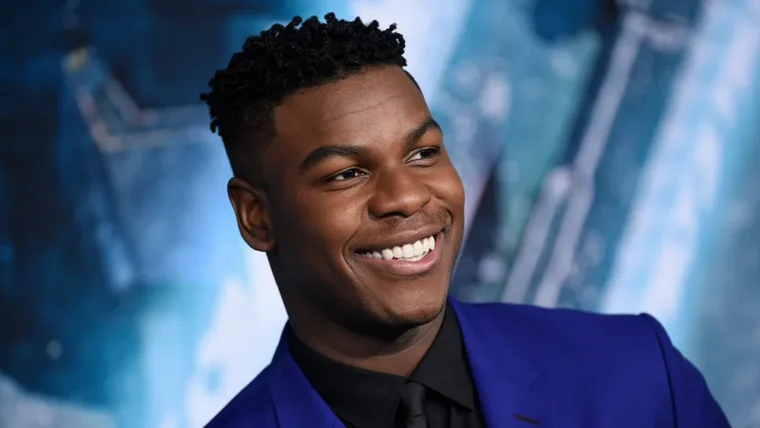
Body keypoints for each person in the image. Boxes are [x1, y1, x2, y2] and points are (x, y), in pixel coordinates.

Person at [200, 13, 729, 428]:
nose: (407, 196)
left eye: (423, 153)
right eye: (347, 174)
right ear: (256, 217)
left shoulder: (639, 373)